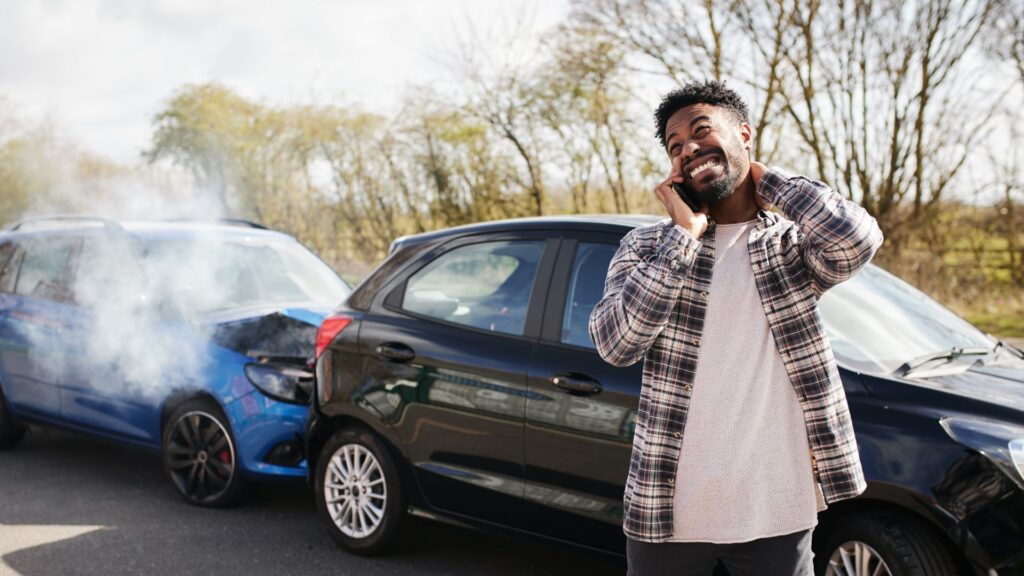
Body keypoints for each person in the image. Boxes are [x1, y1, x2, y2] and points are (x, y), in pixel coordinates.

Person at [589, 80, 883, 576]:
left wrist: (766, 183)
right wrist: (683, 238)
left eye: (702, 132)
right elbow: (616, 343)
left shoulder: (790, 247)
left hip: (775, 509)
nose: (689, 149)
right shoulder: (647, 247)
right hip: (668, 511)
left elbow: (856, 239)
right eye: (675, 145)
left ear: (744, 134)